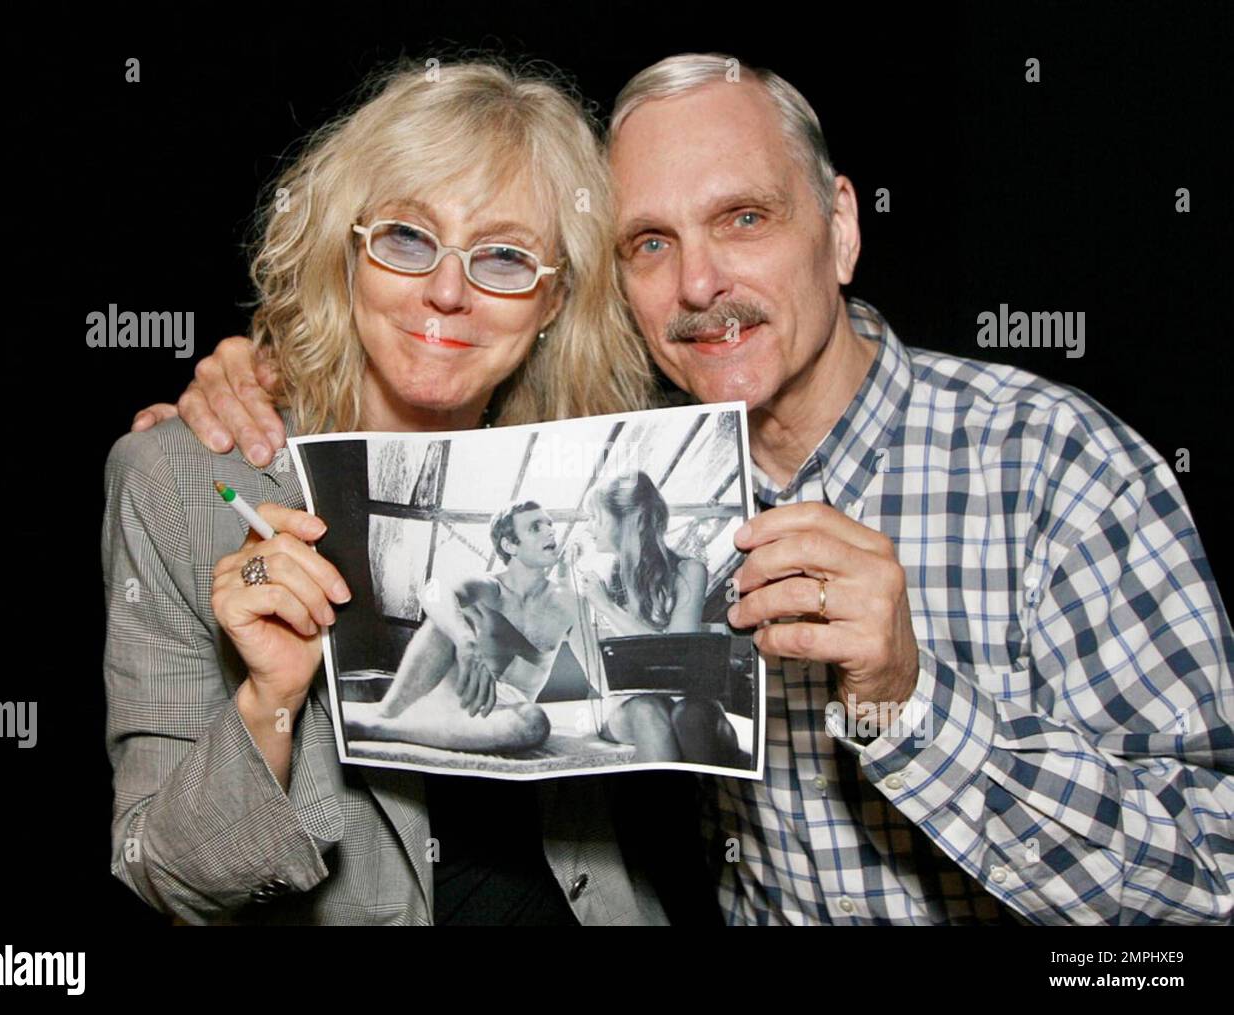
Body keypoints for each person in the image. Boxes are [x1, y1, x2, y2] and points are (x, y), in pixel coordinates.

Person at [135, 53, 1233, 925]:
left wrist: (909, 698)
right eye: (650, 243)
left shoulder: (1050, 467)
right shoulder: (627, 471)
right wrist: (261, 379)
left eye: (744, 219)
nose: (699, 282)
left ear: (841, 227)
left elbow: (1207, 879)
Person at [103, 57, 675, 927]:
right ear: (349, 251)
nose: (447, 290)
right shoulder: (178, 480)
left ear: (555, 298)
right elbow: (163, 875)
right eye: (408, 238)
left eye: (505, 256)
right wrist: (269, 703)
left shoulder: (588, 467)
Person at [343, 501, 599, 753]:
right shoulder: (488, 587)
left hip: (501, 713)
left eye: (549, 524)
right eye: (535, 527)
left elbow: (597, 669)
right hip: (451, 692)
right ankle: (385, 713)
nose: (550, 530)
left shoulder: (569, 601)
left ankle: (382, 727)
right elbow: (432, 591)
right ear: (509, 545)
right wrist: (466, 641)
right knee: (448, 618)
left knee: (534, 722)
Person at [576, 471, 739, 764]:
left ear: (630, 520)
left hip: (686, 700)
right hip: (633, 704)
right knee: (649, 709)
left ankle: (712, 802)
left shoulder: (689, 572)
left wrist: (608, 608)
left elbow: (678, 656)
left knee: (690, 715)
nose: (589, 528)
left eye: (595, 518)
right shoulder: (605, 579)